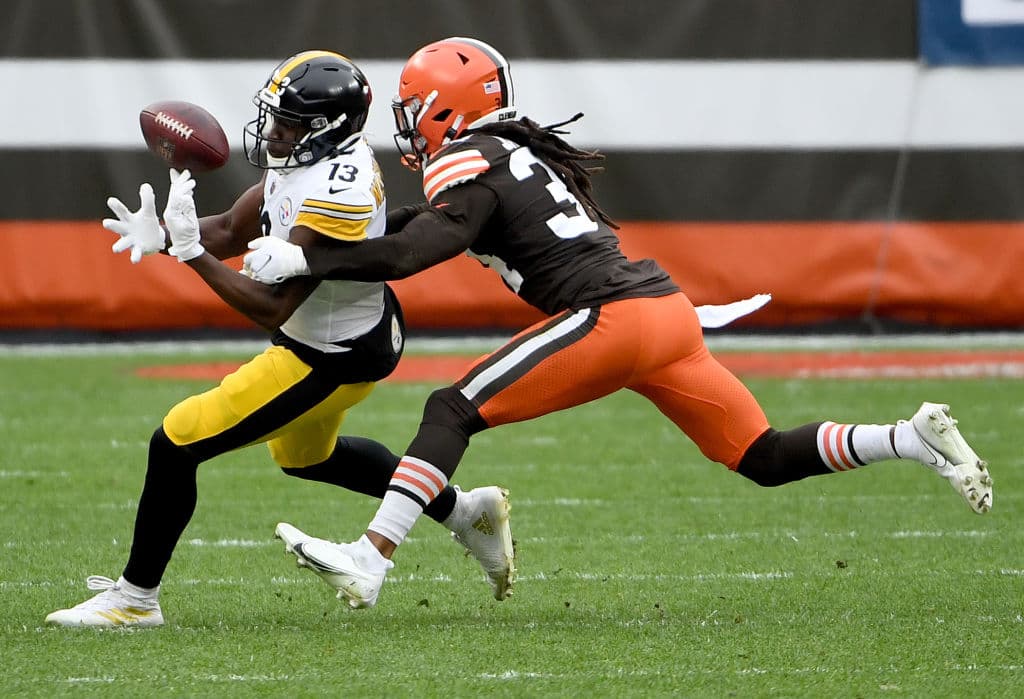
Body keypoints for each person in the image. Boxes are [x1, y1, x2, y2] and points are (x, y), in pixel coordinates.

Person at [240, 37, 994, 610]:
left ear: (444, 107)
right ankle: (908, 437)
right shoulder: (507, 151)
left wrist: (306, 265)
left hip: (613, 317)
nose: (407, 128)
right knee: (759, 454)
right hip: (664, 313)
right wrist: (311, 246)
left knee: (450, 408)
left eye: (413, 110)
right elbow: (410, 226)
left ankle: (371, 560)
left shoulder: (466, 158)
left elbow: (411, 251)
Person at [44, 50, 515, 628]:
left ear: (326, 129)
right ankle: (465, 511)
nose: (273, 132)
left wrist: (190, 255)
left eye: (288, 122)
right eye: (273, 116)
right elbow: (229, 231)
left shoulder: (335, 191)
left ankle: (135, 599)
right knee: (304, 455)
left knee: (174, 443)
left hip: (327, 354)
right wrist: (169, 236)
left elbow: (269, 306)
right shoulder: (315, 157)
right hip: (346, 333)